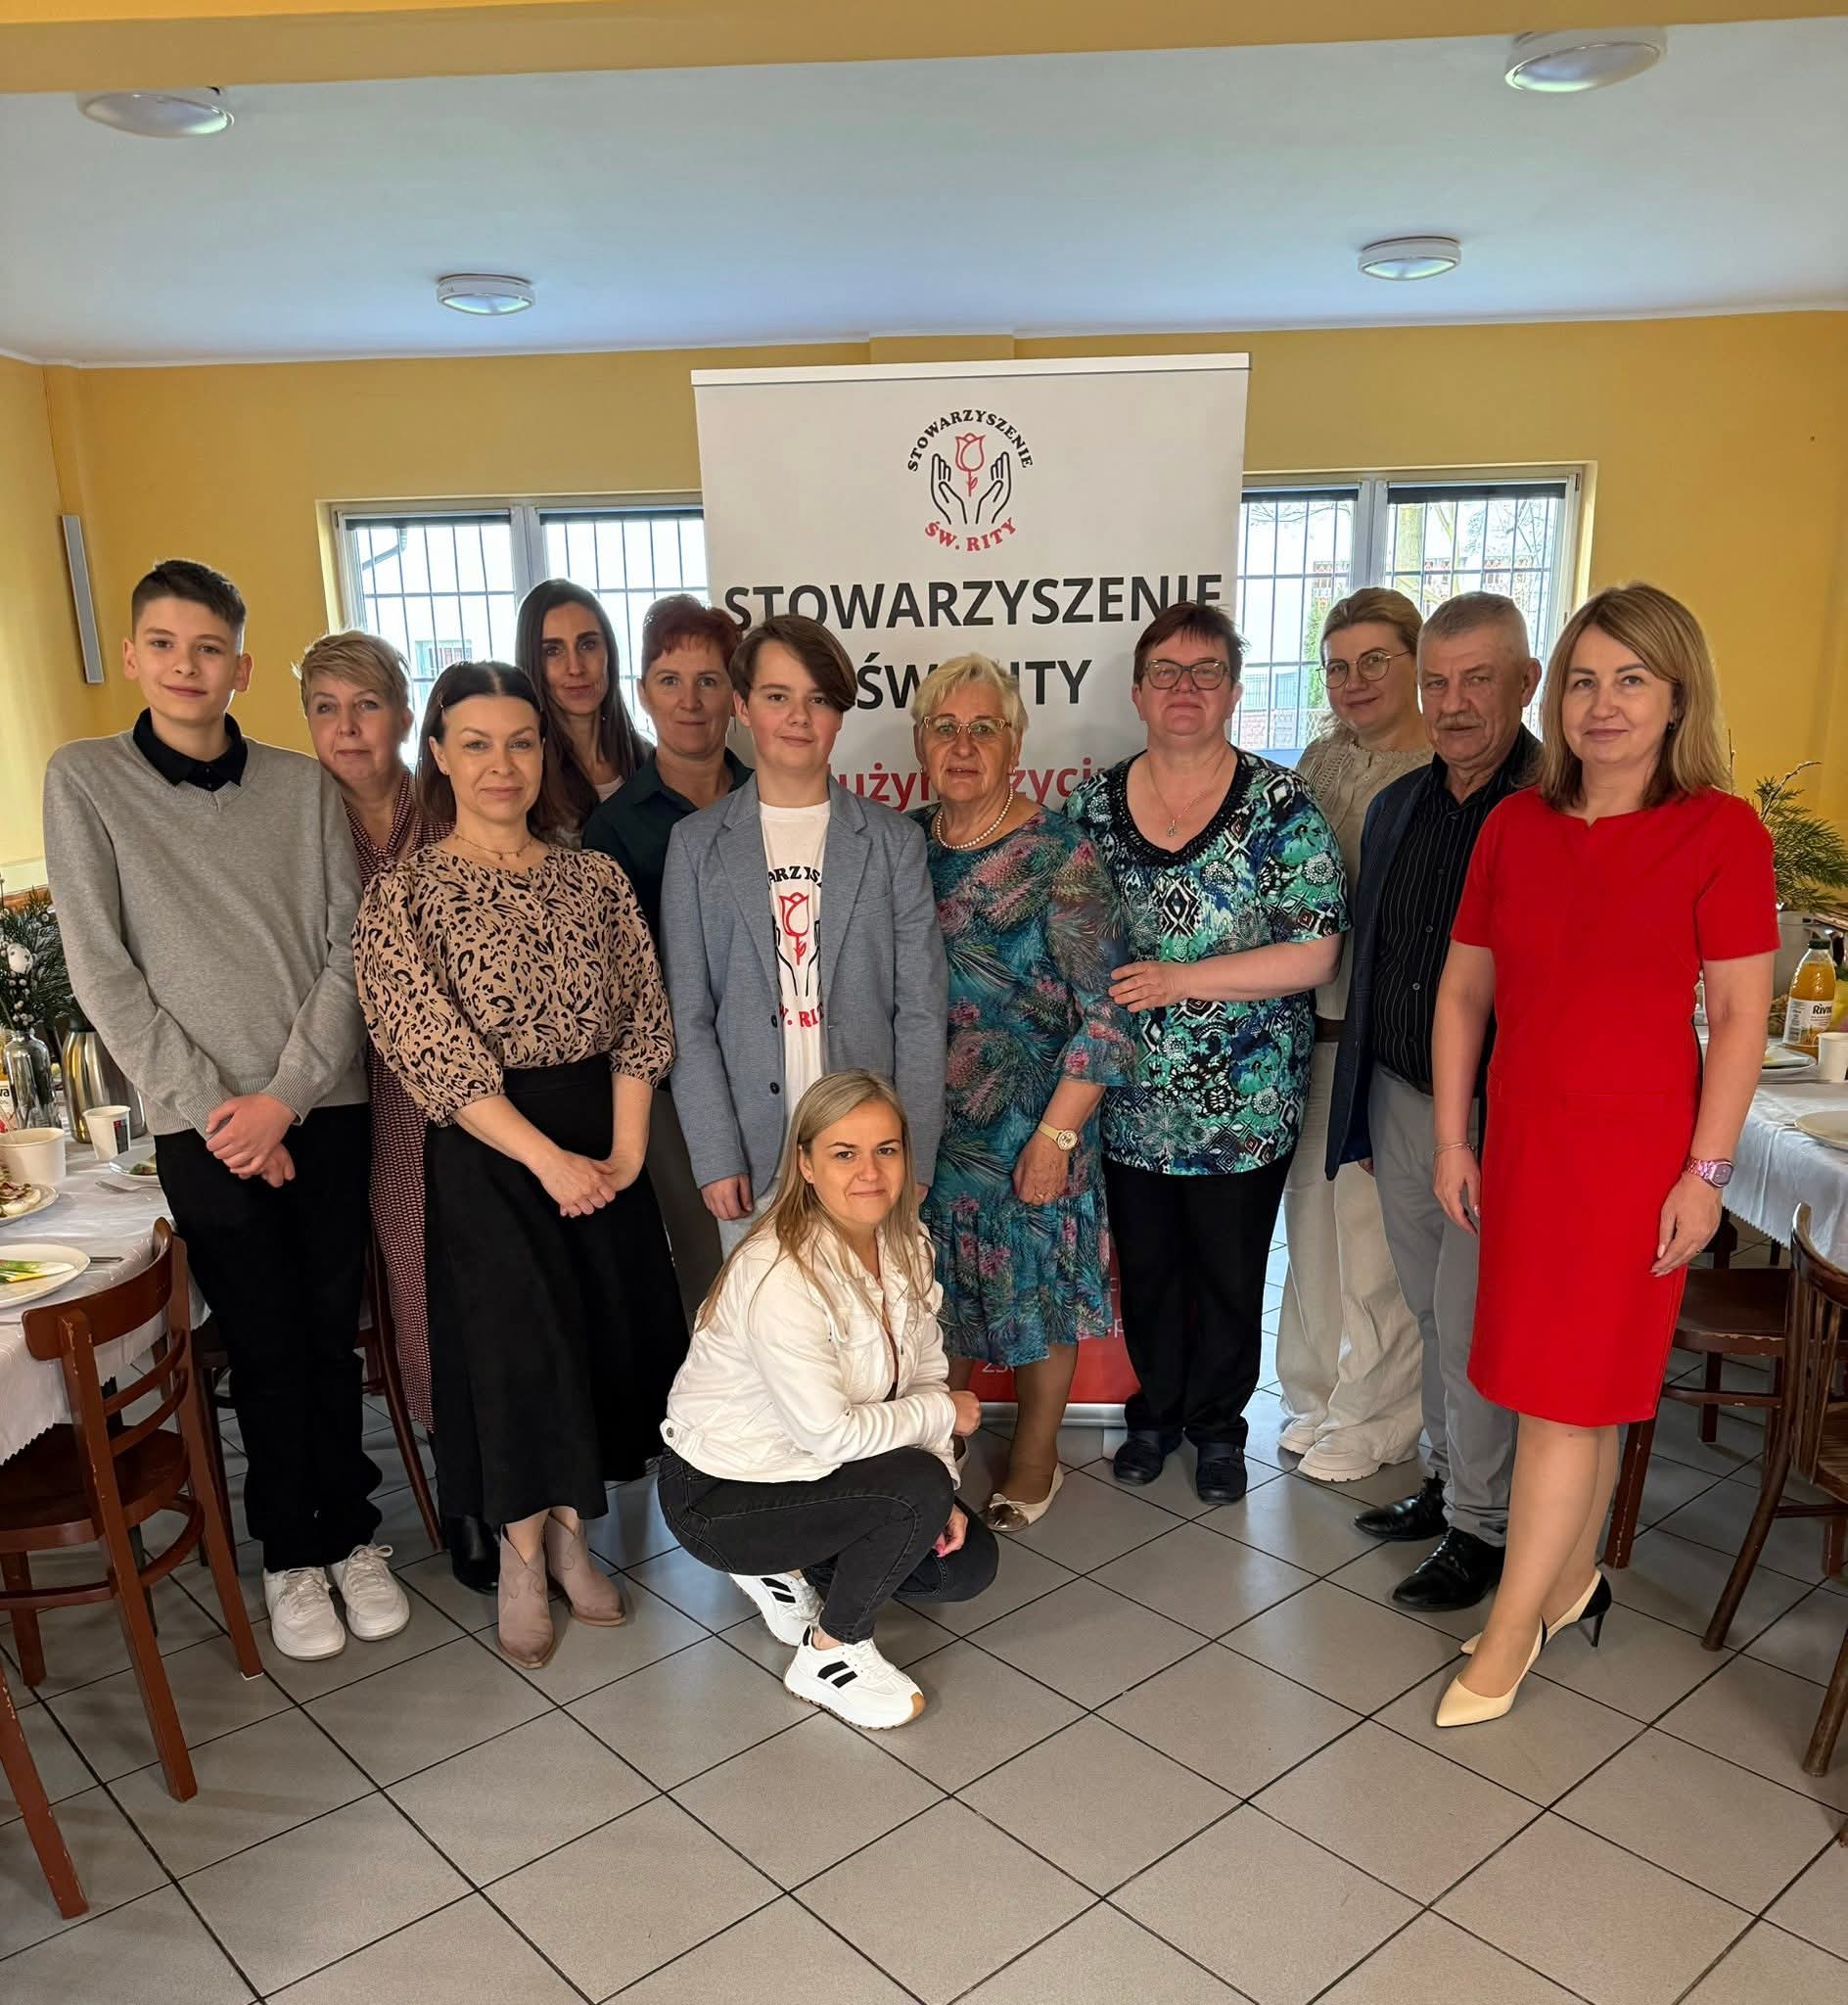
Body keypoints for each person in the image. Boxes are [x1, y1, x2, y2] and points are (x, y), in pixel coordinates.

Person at [44, 559, 408, 1662]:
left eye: (209, 648)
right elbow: (104, 974)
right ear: (132, 655)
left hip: (322, 1102)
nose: (186, 665)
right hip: (199, 1124)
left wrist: (284, 1099)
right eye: (163, 643)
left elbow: (348, 948)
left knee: (328, 1330)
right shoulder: (86, 781)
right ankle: (291, 1553)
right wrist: (223, 1112)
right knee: (262, 1338)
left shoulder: (302, 787)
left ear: (241, 668)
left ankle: (354, 1534)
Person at [1430, 583, 1776, 1726]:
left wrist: (1706, 1174)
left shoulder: (1719, 832)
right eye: (1583, 679)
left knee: (1562, 1400)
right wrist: (1452, 1135)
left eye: (1631, 679)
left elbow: (1740, 1018)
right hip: (1526, 1146)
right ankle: (1571, 1579)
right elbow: (1464, 991)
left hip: (1633, 1161)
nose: (1602, 703)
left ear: (1678, 696)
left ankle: (1508, 1632)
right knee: (1555, 1389)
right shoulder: (1513, 827)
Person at [351, 660, 687, 1669]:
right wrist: (550, 1162)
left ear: (544, 753)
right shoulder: (404, 895)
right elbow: (433, 1054)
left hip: (603, 1143)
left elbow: (643, 1021)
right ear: (440, 756)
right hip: (493, 1152)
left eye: (520, 741)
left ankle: (577, 1542)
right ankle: (520, 1555)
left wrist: (624, 1154)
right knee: (516, 1358)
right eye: (477, 743)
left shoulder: (595, 878)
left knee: (590, 1346)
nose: (502, 764)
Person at [1065, 602, 1347, 1506]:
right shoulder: (1090, 808)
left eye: (1205, 672)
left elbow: (1317, 951)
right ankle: (1155, 1415)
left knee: (1230, 1273)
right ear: (1137, 692)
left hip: (1245, 1104)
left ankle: (1220, 1430)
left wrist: (1183, 979)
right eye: (1166, 672)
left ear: (1231, 690)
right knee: (1147, 1268)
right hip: (1128, 1098)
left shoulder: (1279, 806)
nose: (1185, 688)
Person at [658, 1070, 997, 1728]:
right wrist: (943, 1422)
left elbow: (925, 1371)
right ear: (807, 1165)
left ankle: (789, 1564)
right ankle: (830, 1654)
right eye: (845, 1153)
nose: (870, 1172)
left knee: (963, 1567)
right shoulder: (780, 1274)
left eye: (886, 1150)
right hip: (721, 1494)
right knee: (914, 1490)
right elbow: (831, 1434)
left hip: (816, 1471)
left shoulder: (906, 1243)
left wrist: (943, 1491)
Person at [1325, 593, 1541, 1613]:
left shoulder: (1553, 807)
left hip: (1500, 1120)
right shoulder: (1399, 804)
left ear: (1525, 683)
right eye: (1438, 683)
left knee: (1469, 1325)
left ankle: (1483, 1528)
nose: (1453, 704)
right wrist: (1367, 1114)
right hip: (1402, 1099)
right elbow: (1378, 965)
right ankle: (1448, 1480)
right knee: (1425, 1310)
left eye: (1477, 681)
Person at [909, 654, 1135, 1530]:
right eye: (945, 728)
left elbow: (1108, 1012)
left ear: (1015, 744)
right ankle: (932, 1460)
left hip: (1036, 1128)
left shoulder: (1059, 853)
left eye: (984, 728)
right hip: (926, 1135)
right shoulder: (902, 846)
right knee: (931, 1306)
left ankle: (1037, 1457)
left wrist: (1056, 1137)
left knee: (1041, 1297)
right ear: (920, 743)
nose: (963, 746)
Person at [298, 631, 497, 1584]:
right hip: (360, 1096)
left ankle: (521, 1472)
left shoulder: (449, 804)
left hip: (478, 1087)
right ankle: (463, 1487)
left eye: (366, 704)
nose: (347, 727)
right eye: (325, 708)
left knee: (495, 1282)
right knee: (416, 1293)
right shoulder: (299, 826)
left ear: (405, 713)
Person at [660, 614, 947, 1256]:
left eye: (818, 699)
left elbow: (921, 1010)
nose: (798, 717)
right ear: (742, 707)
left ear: (839, 715)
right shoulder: (696, 846)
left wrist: (914, 1153)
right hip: (753, 1157)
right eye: (777, 696)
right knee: (765, 1320)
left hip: (868, 1158)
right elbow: (689, 1015)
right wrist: (714, 1152)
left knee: (872, 1319)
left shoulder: (893, 843)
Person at [1276, 590, 1431, 1483]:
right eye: (1337, 665)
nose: (1354, 680)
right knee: (1313, 1228)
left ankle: (1378, 1417)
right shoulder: (1320, 759)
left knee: (1373, 1243)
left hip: (1385, 1038)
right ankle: (1317, 1395)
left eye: (1376, 660)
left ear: (1417, 662)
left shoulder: (1443, 773)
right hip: (1311, 1029)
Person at [583, 593, 751, 1318]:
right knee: (709, 1266)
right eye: (671, 681)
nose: (690, 701)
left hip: (779, 1062)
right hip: (673, 1082)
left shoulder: (774, 800)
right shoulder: (613, 828)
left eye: (709, 681)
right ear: (644, 693)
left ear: (736, 697)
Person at [514, 579, 647, 839]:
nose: (575, 667)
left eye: (588, 645)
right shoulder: (522, 772)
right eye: (552, 651)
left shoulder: (647, 758)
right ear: (531, 662)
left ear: (609, 652)